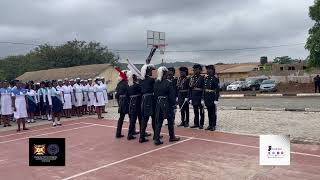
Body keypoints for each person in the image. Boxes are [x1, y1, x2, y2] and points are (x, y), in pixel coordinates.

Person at [153, 66, 180, 145]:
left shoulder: (156, 82)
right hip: (166, 103)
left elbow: (155, 95)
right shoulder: (169, 82)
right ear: (165, 73)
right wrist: (174, 105)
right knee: (170, 121)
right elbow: (171, 96)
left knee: (159, 121)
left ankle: (157, 138)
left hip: (158, 103)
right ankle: (172, 137)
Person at [139, 64, 156, 143]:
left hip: (144, 99)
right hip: (150, 99)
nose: (152, 71)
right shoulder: (151, 80)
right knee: (153, 118)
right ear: (147, 71)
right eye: (150, 70)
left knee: (144, 119)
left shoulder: (141, 79)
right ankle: (155, 135)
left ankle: (142, 136)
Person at [126, 71, 142, 140]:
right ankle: (142, 132)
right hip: (137, 103)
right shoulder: (136, 85)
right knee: (140, 119)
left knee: (132, 120)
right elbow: (141, 93)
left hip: (131, 103)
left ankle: (130, 134)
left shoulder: (129, 86)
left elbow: (127, 96)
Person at [204, 65, 220, 131]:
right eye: (207, 69)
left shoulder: (215, 78)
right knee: (209, 111)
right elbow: (204, 89)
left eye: (209, 69)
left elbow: (217, 90)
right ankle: (210, 124)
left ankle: (213, 125)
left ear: (212, 70)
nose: (208, 71)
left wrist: (216, 99)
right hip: (207, 96)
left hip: (212, 96)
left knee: (213, 112)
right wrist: (203, 98)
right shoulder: (206, 78)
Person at [115, 68, 129, 138]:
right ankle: (131, 132)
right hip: (126, 101)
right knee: (131, 117)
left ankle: (118, 133)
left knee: (121, 118)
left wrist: (119, 104)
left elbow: (116, 95)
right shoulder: (127, 83)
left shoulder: (118, 84)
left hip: (121, 101)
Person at [189, 64, 205, 129]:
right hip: (194, 96)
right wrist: (190, 98)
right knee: (195, 111)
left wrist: (202, 98)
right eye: (194, 70)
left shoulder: (202, 78)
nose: (195, 71)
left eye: (196, 69)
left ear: (200, 70)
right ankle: (196, 123)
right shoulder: (192, 78)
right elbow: (190, 88)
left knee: (201, 111)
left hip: (200, 96)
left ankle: (201, 124)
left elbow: (204, 89)